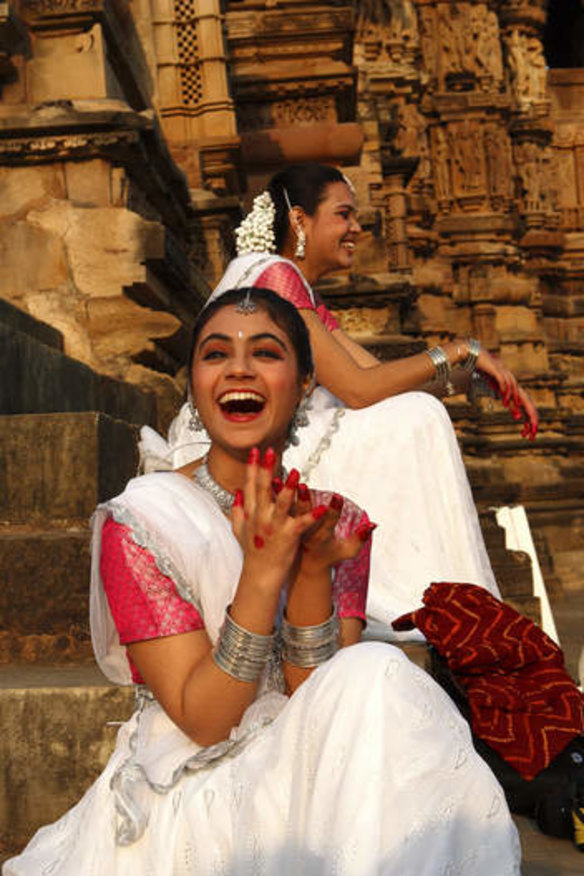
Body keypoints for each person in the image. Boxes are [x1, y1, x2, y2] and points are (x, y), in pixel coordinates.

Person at [4, 288, 521, 876]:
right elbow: (205, 721)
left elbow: (321, 698)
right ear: (196, 384)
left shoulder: (335, 519)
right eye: (216, 354)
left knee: (376, 674)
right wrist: (262, 570)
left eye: (267, 353)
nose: (240, 369)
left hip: (306, 763)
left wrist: (312, 570)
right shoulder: (143, 520)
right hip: (197, 779)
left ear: (304, 383)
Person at [158, 162, 539, 638]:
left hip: (274, 438)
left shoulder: (299, 289)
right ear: (299, 221)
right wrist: (461, 349)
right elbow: (361, 392)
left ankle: (443, 594)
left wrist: (471, 378)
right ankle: (430, 595)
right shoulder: (274, 277)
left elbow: (374, 379)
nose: (357, 228)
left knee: (418, 410)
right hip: (248, 448)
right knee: (418, 417)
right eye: (343, 215)